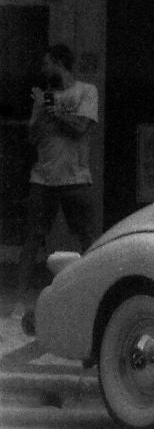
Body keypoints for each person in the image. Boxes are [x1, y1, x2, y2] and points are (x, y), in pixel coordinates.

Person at [15, 44, 98, 335]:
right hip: (43, 179)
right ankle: (18, 300)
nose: (43, 68)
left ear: (60, 63)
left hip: (76, 179)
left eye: (47, 63)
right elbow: (33, 137)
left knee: (87, 237)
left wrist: (55, 111)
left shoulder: (86, 92)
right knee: (33, 237)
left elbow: (80, 129)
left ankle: (95, 294)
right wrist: (41, 114)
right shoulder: (44, 97)